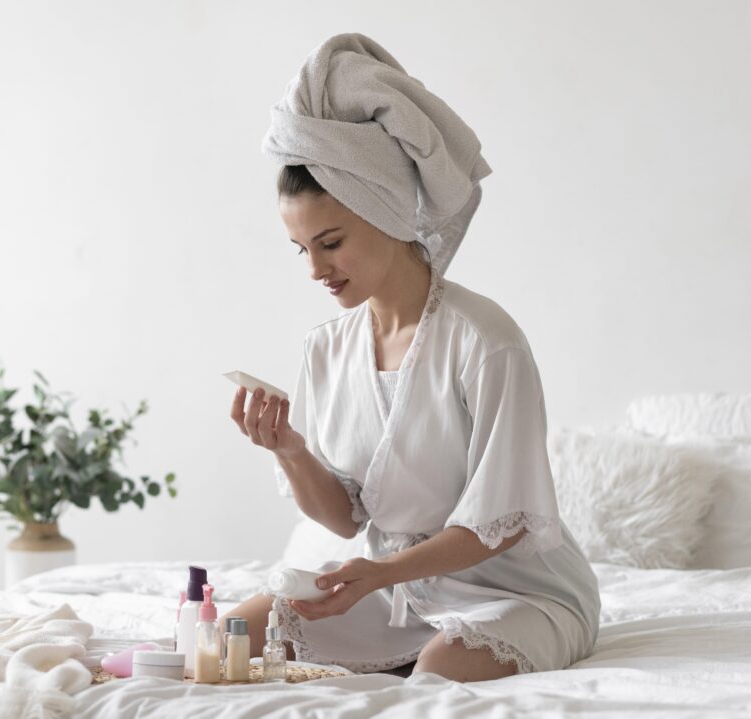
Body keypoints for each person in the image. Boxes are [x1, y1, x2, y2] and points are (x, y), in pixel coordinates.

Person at [223, 33, 600, 683]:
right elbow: (344, 519)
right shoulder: (325, 349)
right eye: (302, 249)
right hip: (395, 591)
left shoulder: (486, 342)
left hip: (519, 592)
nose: (314, 269)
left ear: (388, 214)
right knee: (235, 630)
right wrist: (288, 448)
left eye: (331, 242)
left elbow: (502, 524)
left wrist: (381, 573)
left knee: (439, 671)